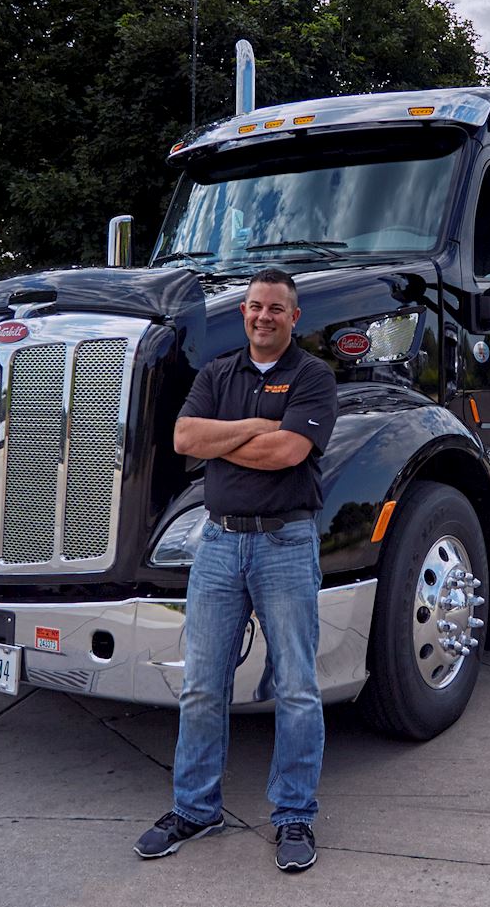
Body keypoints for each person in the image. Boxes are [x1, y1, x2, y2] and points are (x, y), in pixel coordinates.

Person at [134, 268, 338, 872]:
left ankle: (294, 815)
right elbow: (184, 437)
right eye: (255, 307)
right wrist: (254, 427)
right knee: (202, 684)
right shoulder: (218, 373)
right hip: (218, 547)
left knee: (297, 687)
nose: (263, 316)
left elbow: (289, 452)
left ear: (294, 317)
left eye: (276, 308)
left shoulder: (313, 377)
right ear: (243, 313)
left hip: (284, 545)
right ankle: (196, 809)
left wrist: (228, 439)